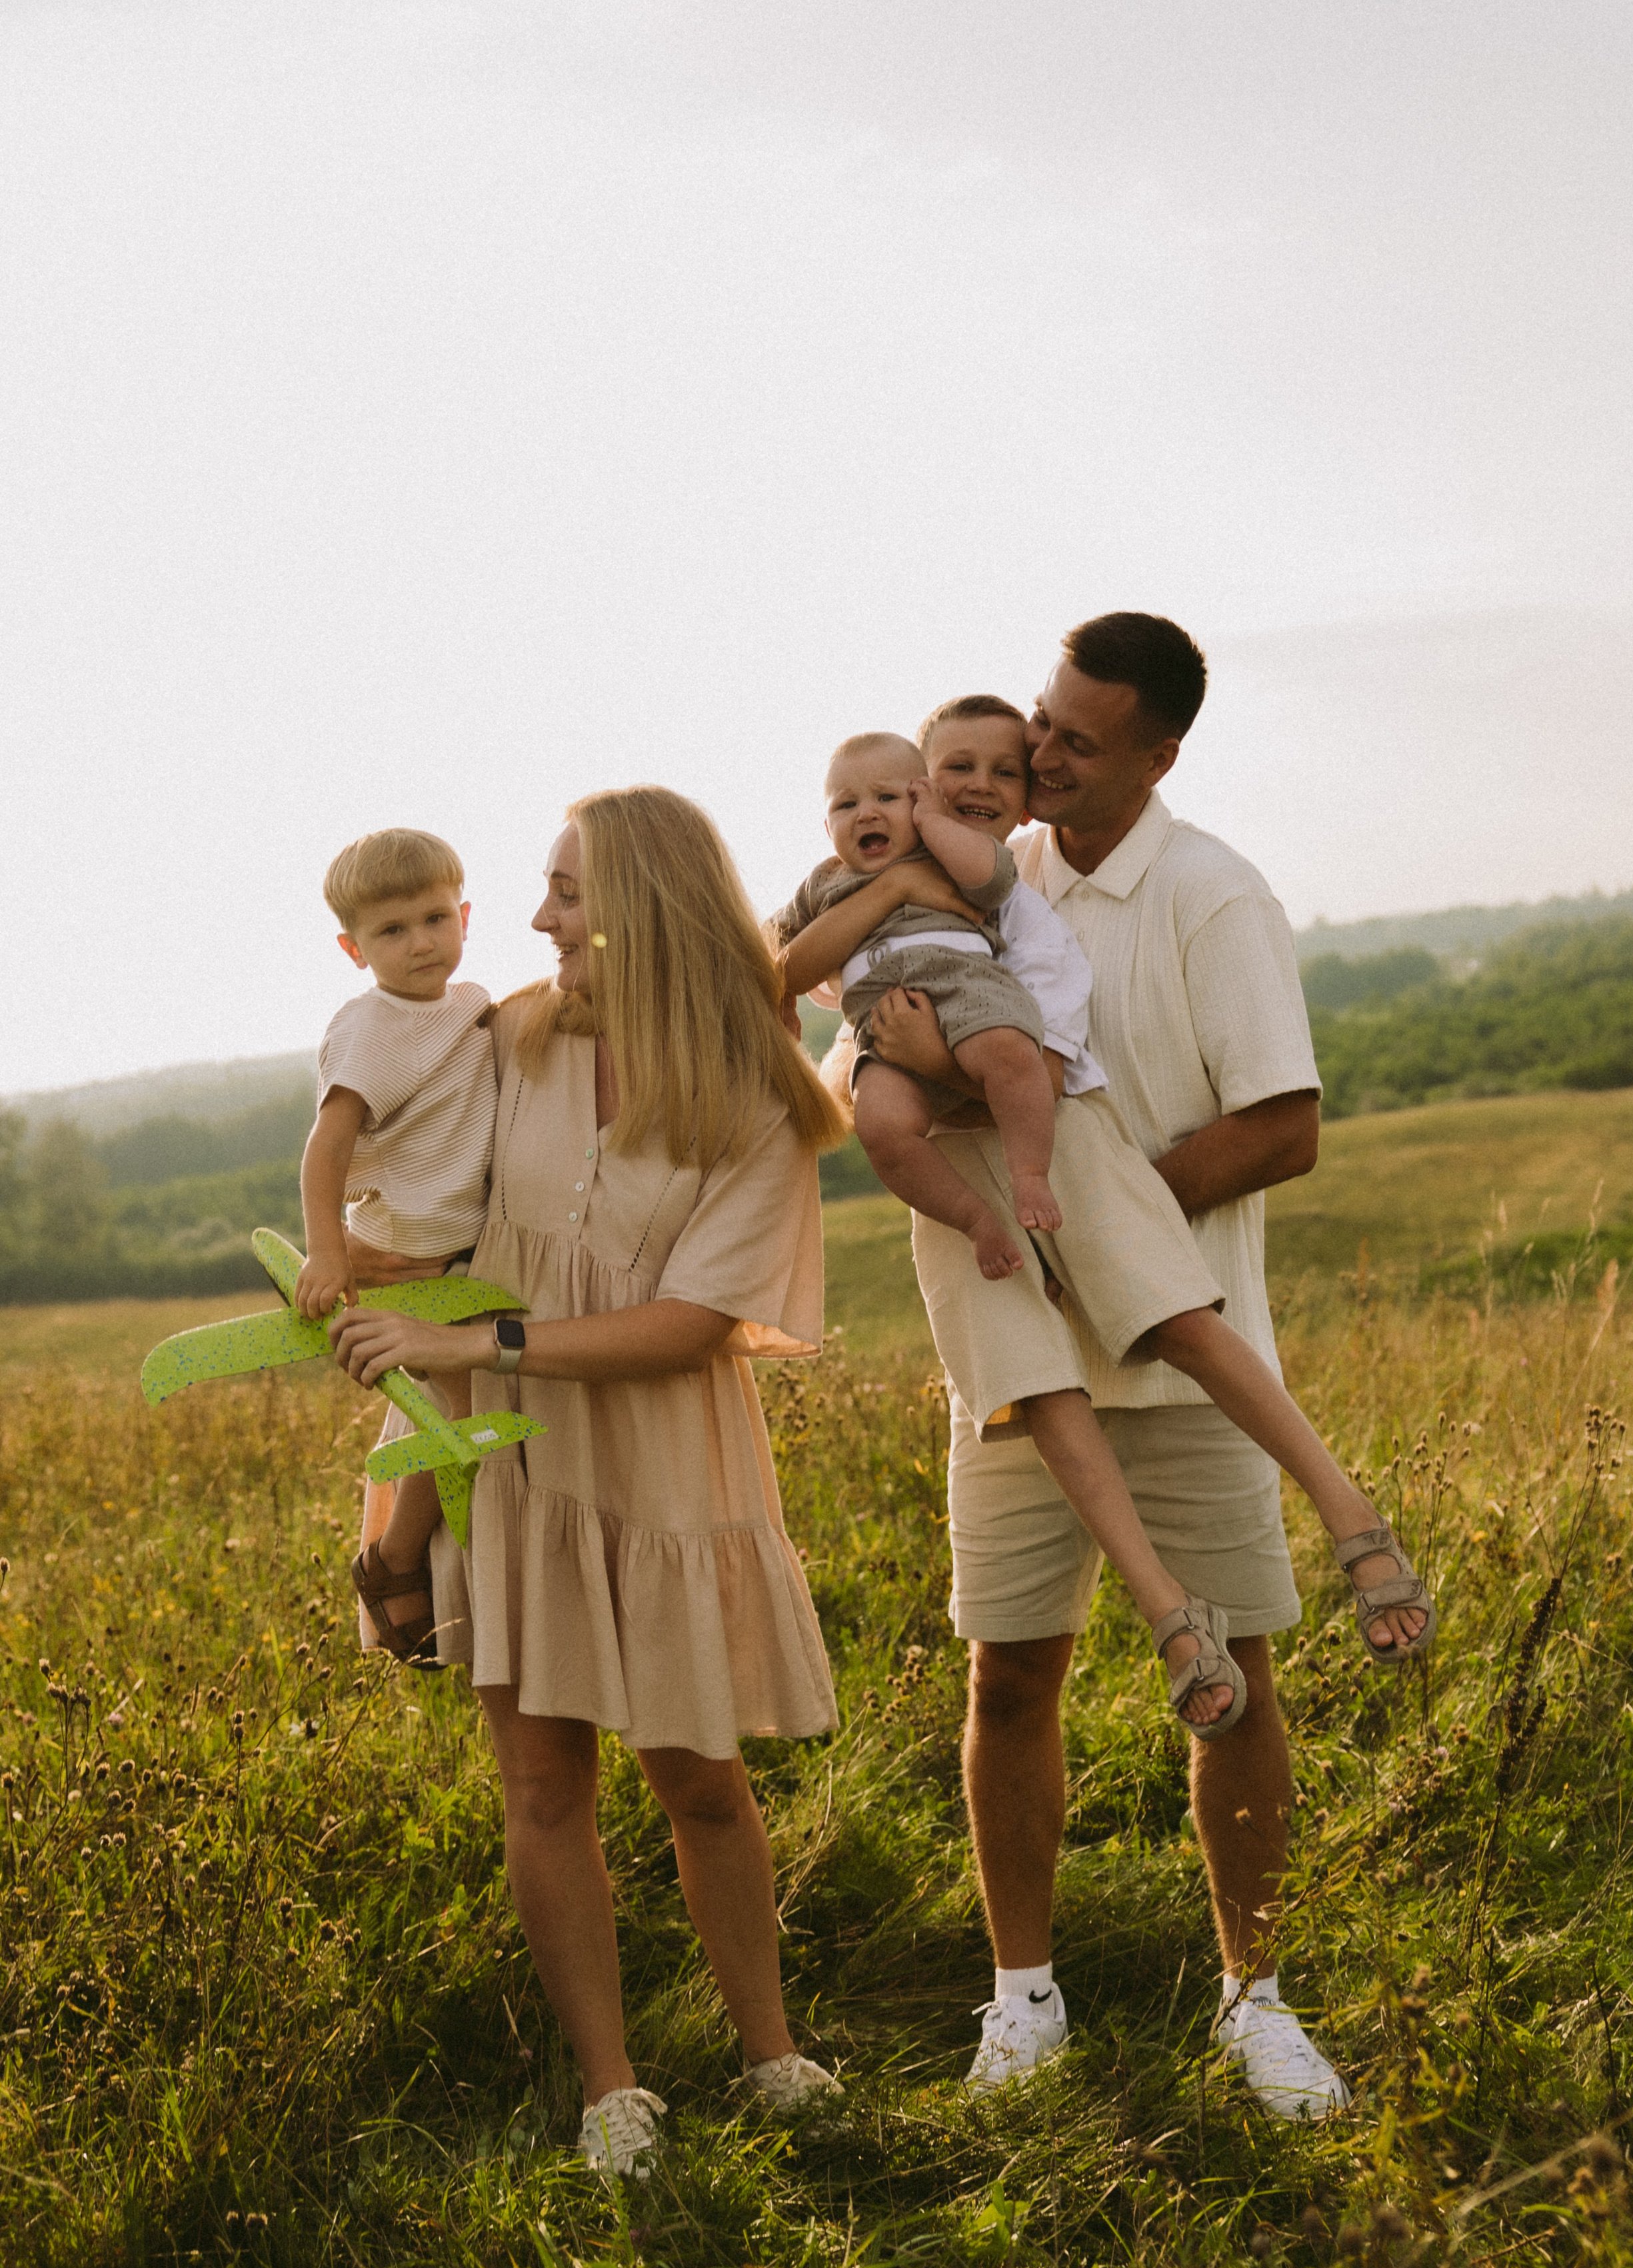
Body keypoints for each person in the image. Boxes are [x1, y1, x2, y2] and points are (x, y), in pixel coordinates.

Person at [870, 617, 1433, 2118]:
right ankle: (1022, 1999)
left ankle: (1254, 1996)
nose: (1041, 754)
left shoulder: (1209, 894)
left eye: (1075, 740)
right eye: (1038, 723)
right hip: (1008, 1364)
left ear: (1158, 755)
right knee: (1006, 1678)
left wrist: (1103, 1231)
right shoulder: (984, 860)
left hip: (1183, 1364)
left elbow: (1282, 1126)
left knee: (1237, 1679)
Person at [329, 786, 848, 2177]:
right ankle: (612, 2087)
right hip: (505, 1455)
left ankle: (768, 2047)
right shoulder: (515, 1037)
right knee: (541, 1782)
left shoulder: (754, 1089)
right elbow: (416, 1203)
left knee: (699, 1777)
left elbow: (690, 1324)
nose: (539, 918)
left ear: (641, 909)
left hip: (665, 1455)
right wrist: (389, 1486)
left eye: (565, 892)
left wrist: (469, 1333)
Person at [807, 693, 1436, 1757]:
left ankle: (1351, 1514)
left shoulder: (1022, 897)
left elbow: (1044, 1058)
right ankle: (1168, 1618)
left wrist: (926, 1043)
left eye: (1006, 770)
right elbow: (838, 1046)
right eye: (944, 770)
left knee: (1177, 1315)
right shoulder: (863, 887)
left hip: (1051, 1136)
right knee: (1029, 1442)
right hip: (969, 1198)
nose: (987, 782)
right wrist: (883, 964)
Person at [297, 828, 497, 1666]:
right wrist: (328, 1251)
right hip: (408, 1256)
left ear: (464, 915)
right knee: (464, 1404)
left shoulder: (474, 1002)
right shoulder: (370, 1025)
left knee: (479, 1404)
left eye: (434, 917)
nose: (420, 941)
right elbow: (326, 1147)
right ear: (353, 948)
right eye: (391, 930)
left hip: (470, 1255)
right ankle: (394, 1558)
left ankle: (414, 1552)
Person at [773, 731, 1063, 1267]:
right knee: (881, 1126)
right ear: (826, 825)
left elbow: (993, 878)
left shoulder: (946, 850)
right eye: (847, 804)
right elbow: (784, 967)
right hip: (880, 1027)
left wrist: (937, 823)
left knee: (1012, 1054)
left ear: (922, 798)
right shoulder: (823, 886)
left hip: (970, 993)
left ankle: (1030, 1175)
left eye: (887, 798)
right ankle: (975, 1220)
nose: (866, 814)